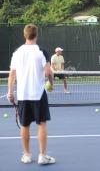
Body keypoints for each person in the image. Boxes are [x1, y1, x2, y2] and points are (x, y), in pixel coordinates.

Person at [7, 24, 56, 164]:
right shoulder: (41, 51)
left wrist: (10, 92)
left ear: (24, 35)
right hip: (39, 94)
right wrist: (51, 85)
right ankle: (43, 156)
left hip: (22, 95)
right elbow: (48, 72)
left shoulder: (17, 52)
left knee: (24, 125)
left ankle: (27, 155)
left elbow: (11, 75)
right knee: (41, 124)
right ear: (36, 35)